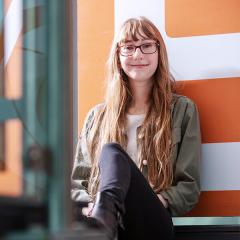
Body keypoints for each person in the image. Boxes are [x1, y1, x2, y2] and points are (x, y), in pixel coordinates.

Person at [71, 16, 201, 240]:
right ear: (117, 56)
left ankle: (105, 218)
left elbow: (189, 186)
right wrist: (89, 206)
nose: (138, 54)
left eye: (147, 45)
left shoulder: (182, 110)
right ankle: (104, 218)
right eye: (128, 47)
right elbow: (77, 185)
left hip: (150, 221)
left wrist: (157, 200)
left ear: (159, 52)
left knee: (111, 151)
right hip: (107, 228)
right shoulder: (97, 117)